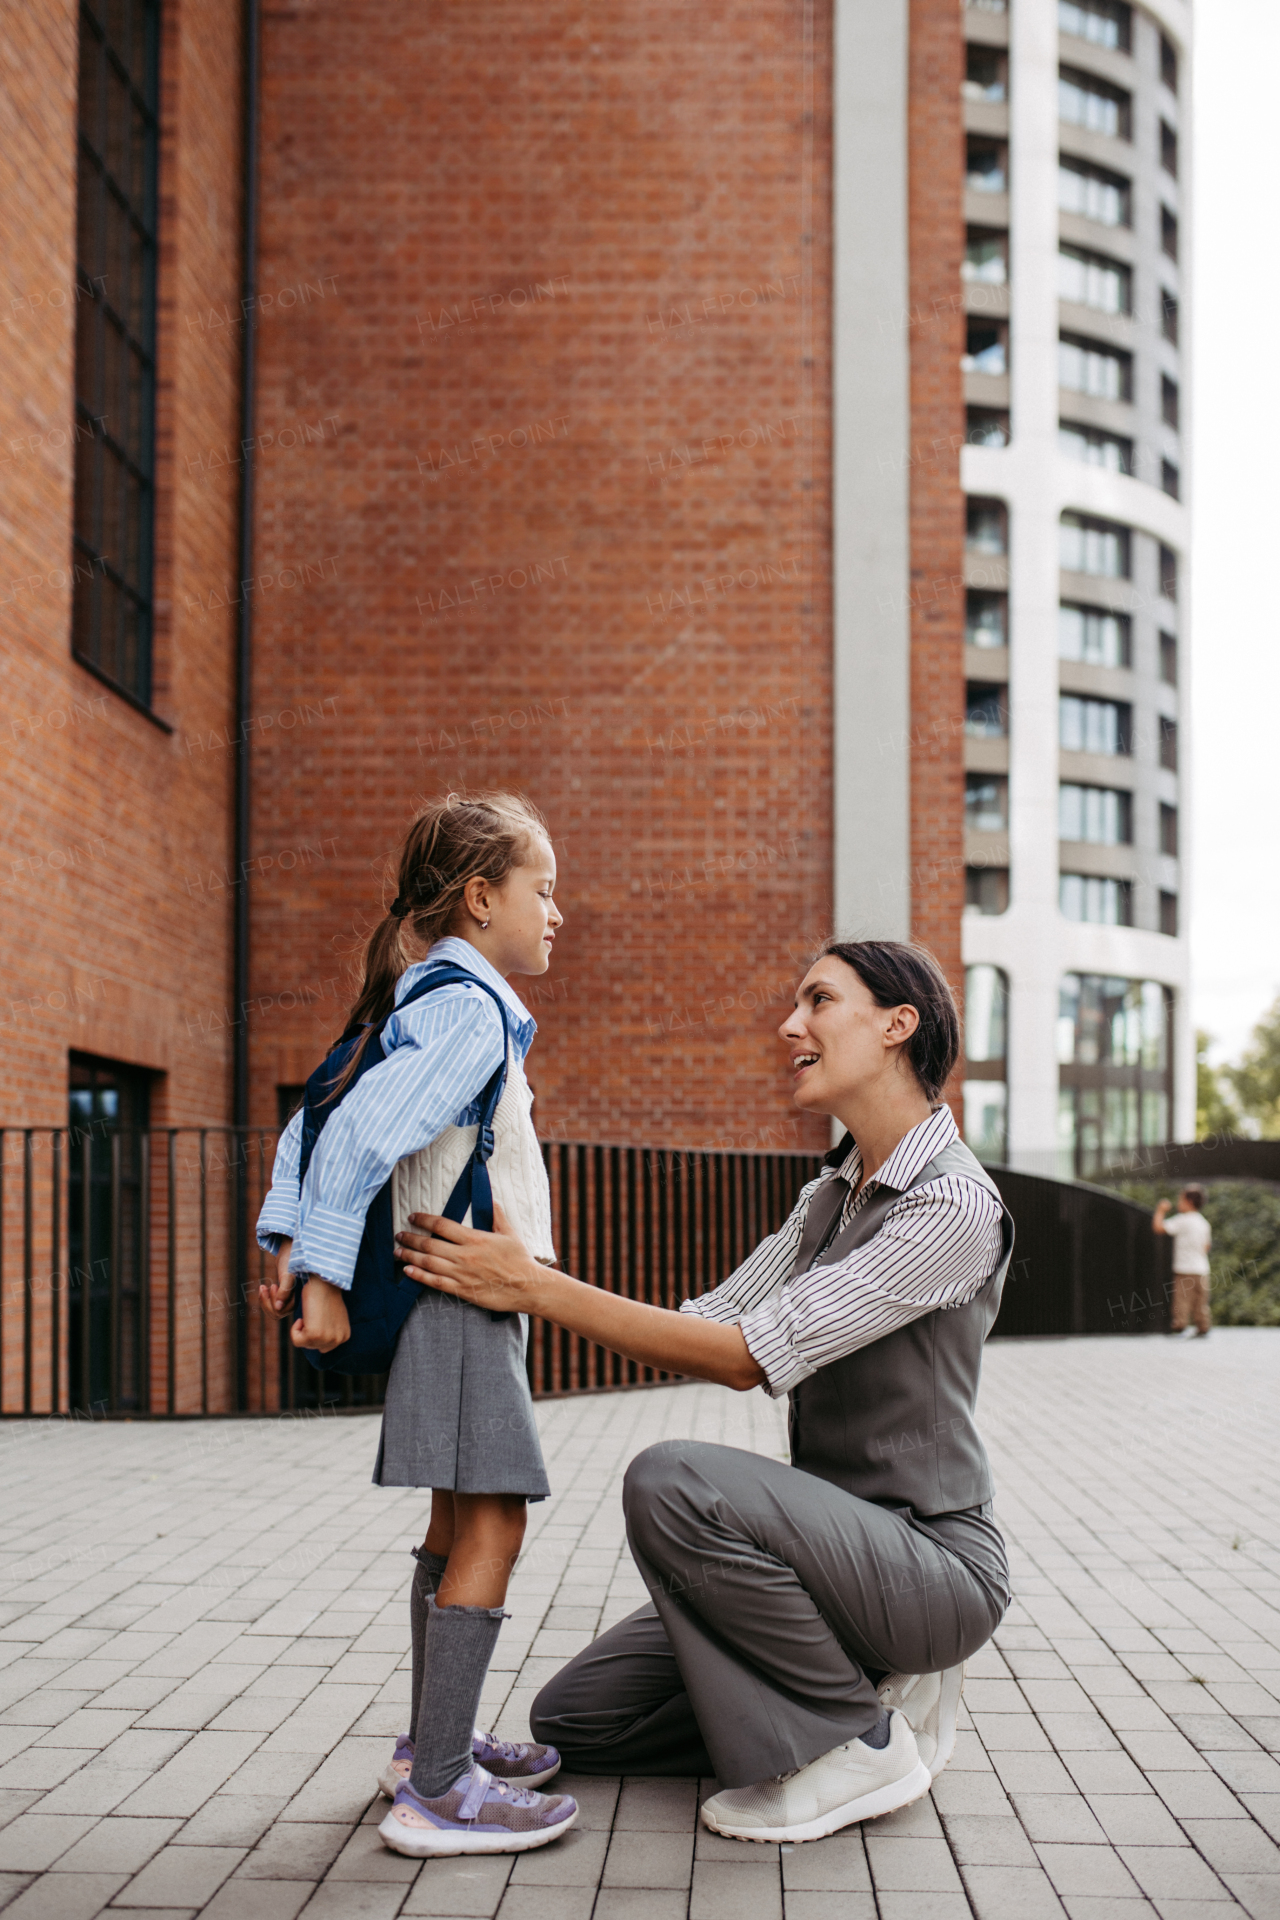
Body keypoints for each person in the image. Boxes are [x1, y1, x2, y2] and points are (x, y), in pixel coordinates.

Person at [395, 939, 1015, 1846]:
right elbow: (707, 1319)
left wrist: (533, 1287)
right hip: (828, 1567)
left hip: (932, 1566)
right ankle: (835, 1695)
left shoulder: (953, 1206)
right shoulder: (826, 1200)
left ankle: (857, 1742)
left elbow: (743, 1355)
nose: (789, 1025)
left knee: (672, 1481)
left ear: (896, 1025)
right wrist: (526, 1275)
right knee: (579, 1719)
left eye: (818, 1001)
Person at [255, 791, 578, 1859]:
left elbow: (315, 1118)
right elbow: (351, 1134)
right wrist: (319, 1280)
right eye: (542, 889)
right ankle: (440, 1789)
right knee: (495, 1523)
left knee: (455, 1527)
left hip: (461, 1301)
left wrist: (287, 1244)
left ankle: (429, 1748)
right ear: (481, 899)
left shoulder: (430, 996)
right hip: (460, 1303)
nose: (555, 911)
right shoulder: (465, 1008)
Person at [1154, 1185, 1212, 1337]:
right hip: (1202, 1269)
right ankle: (1203, 1326)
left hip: (1185, 1269)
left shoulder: (1183, 1220)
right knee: (1201, 1302)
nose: (1178, 1203)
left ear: (1188, 1202)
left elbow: (1159, 1228)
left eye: (1180, 1199)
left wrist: (1161, 1210)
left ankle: (1179, 1324)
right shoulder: (1204, 1223)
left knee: (1182, 1300)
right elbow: (1206, 1246)